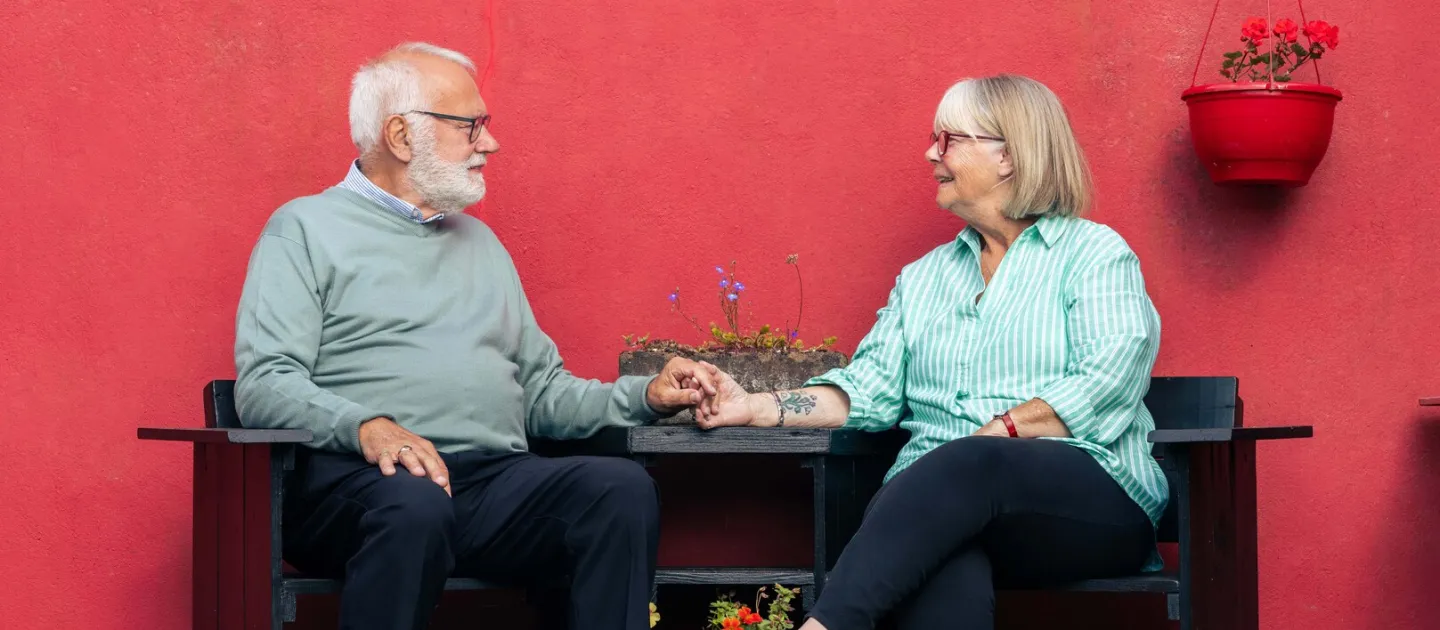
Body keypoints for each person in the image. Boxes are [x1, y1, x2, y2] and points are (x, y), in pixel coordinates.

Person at [232, 42, 717, 630]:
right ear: (402, 136)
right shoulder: (303, 229)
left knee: (618, 489)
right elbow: (265, 382)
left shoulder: (481, 246)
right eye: (470, 126)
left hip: (489, 485)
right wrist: (366, 427)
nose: (489, 144)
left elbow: (540, 392)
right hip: (363, 487)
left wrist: (644, 396)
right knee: (414, 506)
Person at [691, 74, 1168, 630]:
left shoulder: (1094, 254)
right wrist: (753, 406)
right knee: (938, 565)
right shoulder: (923, 280)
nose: (930, 154)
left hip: (1084, 508)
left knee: (964, 466)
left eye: (948, 140)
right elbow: (867, 390)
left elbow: (1109, 375)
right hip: (937, 509)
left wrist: (998, 434)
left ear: (1009, 156)